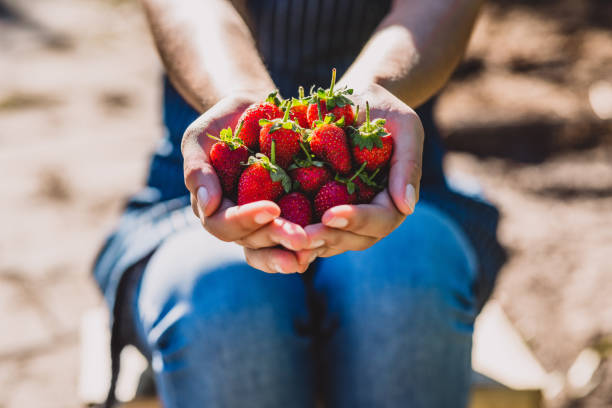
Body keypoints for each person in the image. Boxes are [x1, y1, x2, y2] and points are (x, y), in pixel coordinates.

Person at [93, 0, 506, 407]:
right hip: (215, 178)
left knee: (407, 281)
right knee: (217, 300)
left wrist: (370, 92)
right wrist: (243, 96)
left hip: (390, 173)